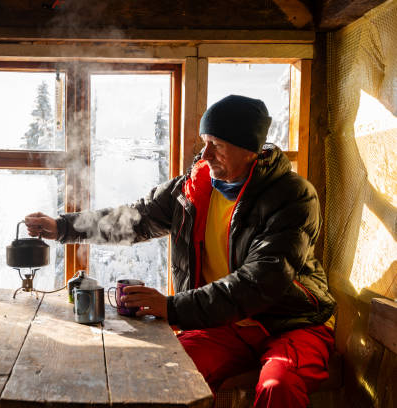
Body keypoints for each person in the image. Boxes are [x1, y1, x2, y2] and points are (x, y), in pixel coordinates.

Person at [24, 94, 336, 408]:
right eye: (205, 141)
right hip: (225, 327)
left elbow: (261, 282)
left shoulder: (293, 196)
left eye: (218, 144)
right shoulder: (191, 189)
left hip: (293, 323)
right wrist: (63, 227)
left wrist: (172, 308)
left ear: (249, 150)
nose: (206, 154)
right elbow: (134, 219)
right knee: (166, 372)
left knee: (277, 384)